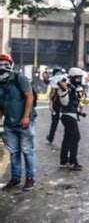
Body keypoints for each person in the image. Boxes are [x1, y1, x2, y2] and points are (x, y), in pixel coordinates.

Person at [0, 53, 37, 191]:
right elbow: (1, 104)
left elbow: (29, 96)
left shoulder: (19, 79)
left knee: (27, 151)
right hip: (9, 124)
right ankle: (15, 178)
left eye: (5, 63)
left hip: (25, 123)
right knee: (14, 152)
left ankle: (30, 178)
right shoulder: (0, 83)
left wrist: (26, 117)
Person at [57, 67, 86, 170]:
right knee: (75, 137)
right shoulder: (66, 87)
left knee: (67, 138)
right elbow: (64, 102)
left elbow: (74, 99)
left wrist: (80, 105)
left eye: (80, 78)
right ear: (72, 77)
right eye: (77, 78)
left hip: (71, 114)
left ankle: (64, 161)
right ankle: (73, 162)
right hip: (67, 115)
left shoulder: (73, 87)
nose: (79, 80)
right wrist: (64, 89)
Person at [46, 67, 66, 144]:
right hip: (65, 102)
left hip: (56, 103)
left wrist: (50, 103)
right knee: (66, 121)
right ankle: (67, 137)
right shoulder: (65, 78)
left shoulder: (54, 79)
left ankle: (51, 137)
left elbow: (53, 92)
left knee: (54, 122)